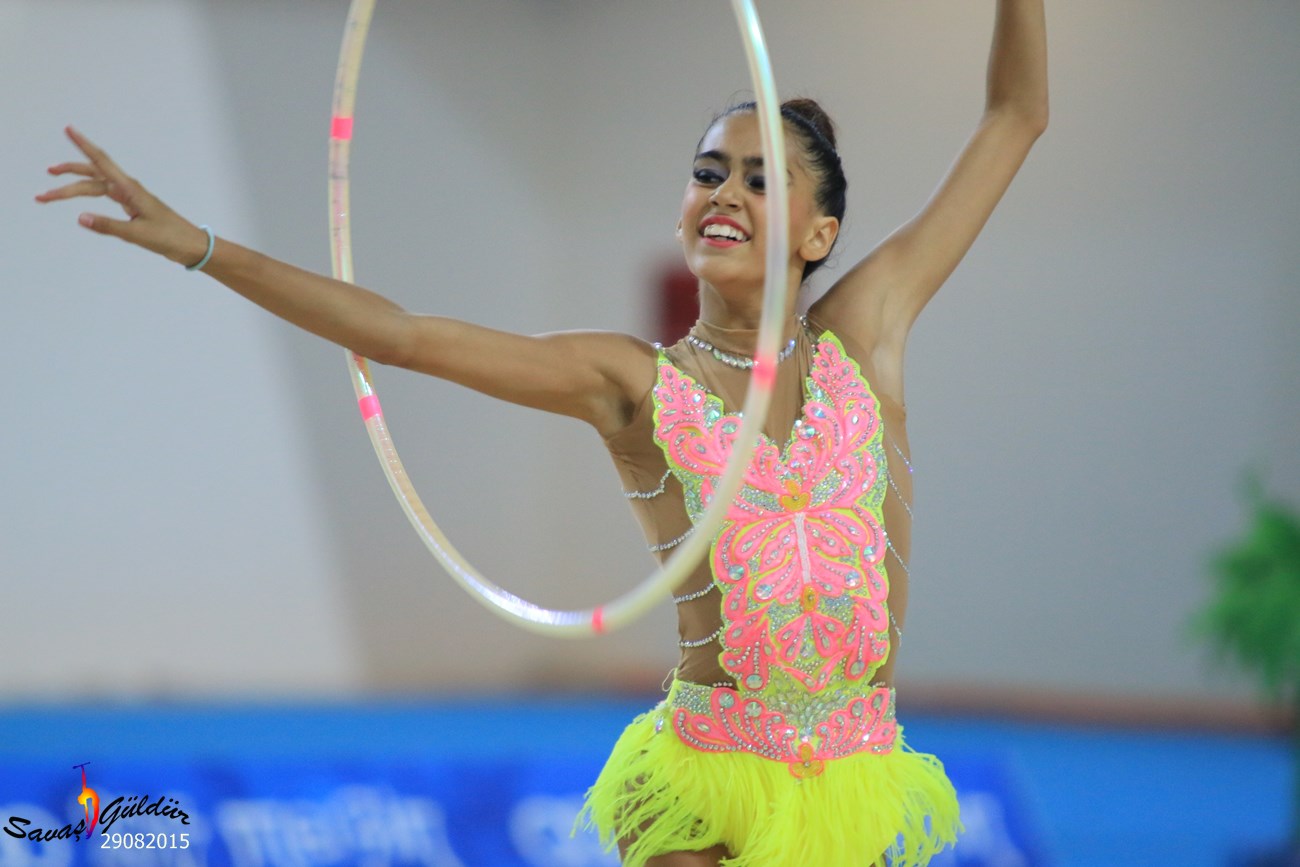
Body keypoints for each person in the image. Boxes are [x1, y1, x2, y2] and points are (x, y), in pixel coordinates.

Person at [36, 2, 1047, 863]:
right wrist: (199, 245)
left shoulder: (867, 334)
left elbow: (1016, 116)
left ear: (820, 234)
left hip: (853, 777)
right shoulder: (633, 381)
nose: (724, 195)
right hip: (705, 784)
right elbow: (401, 335)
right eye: (707, 172)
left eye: (759, 180)